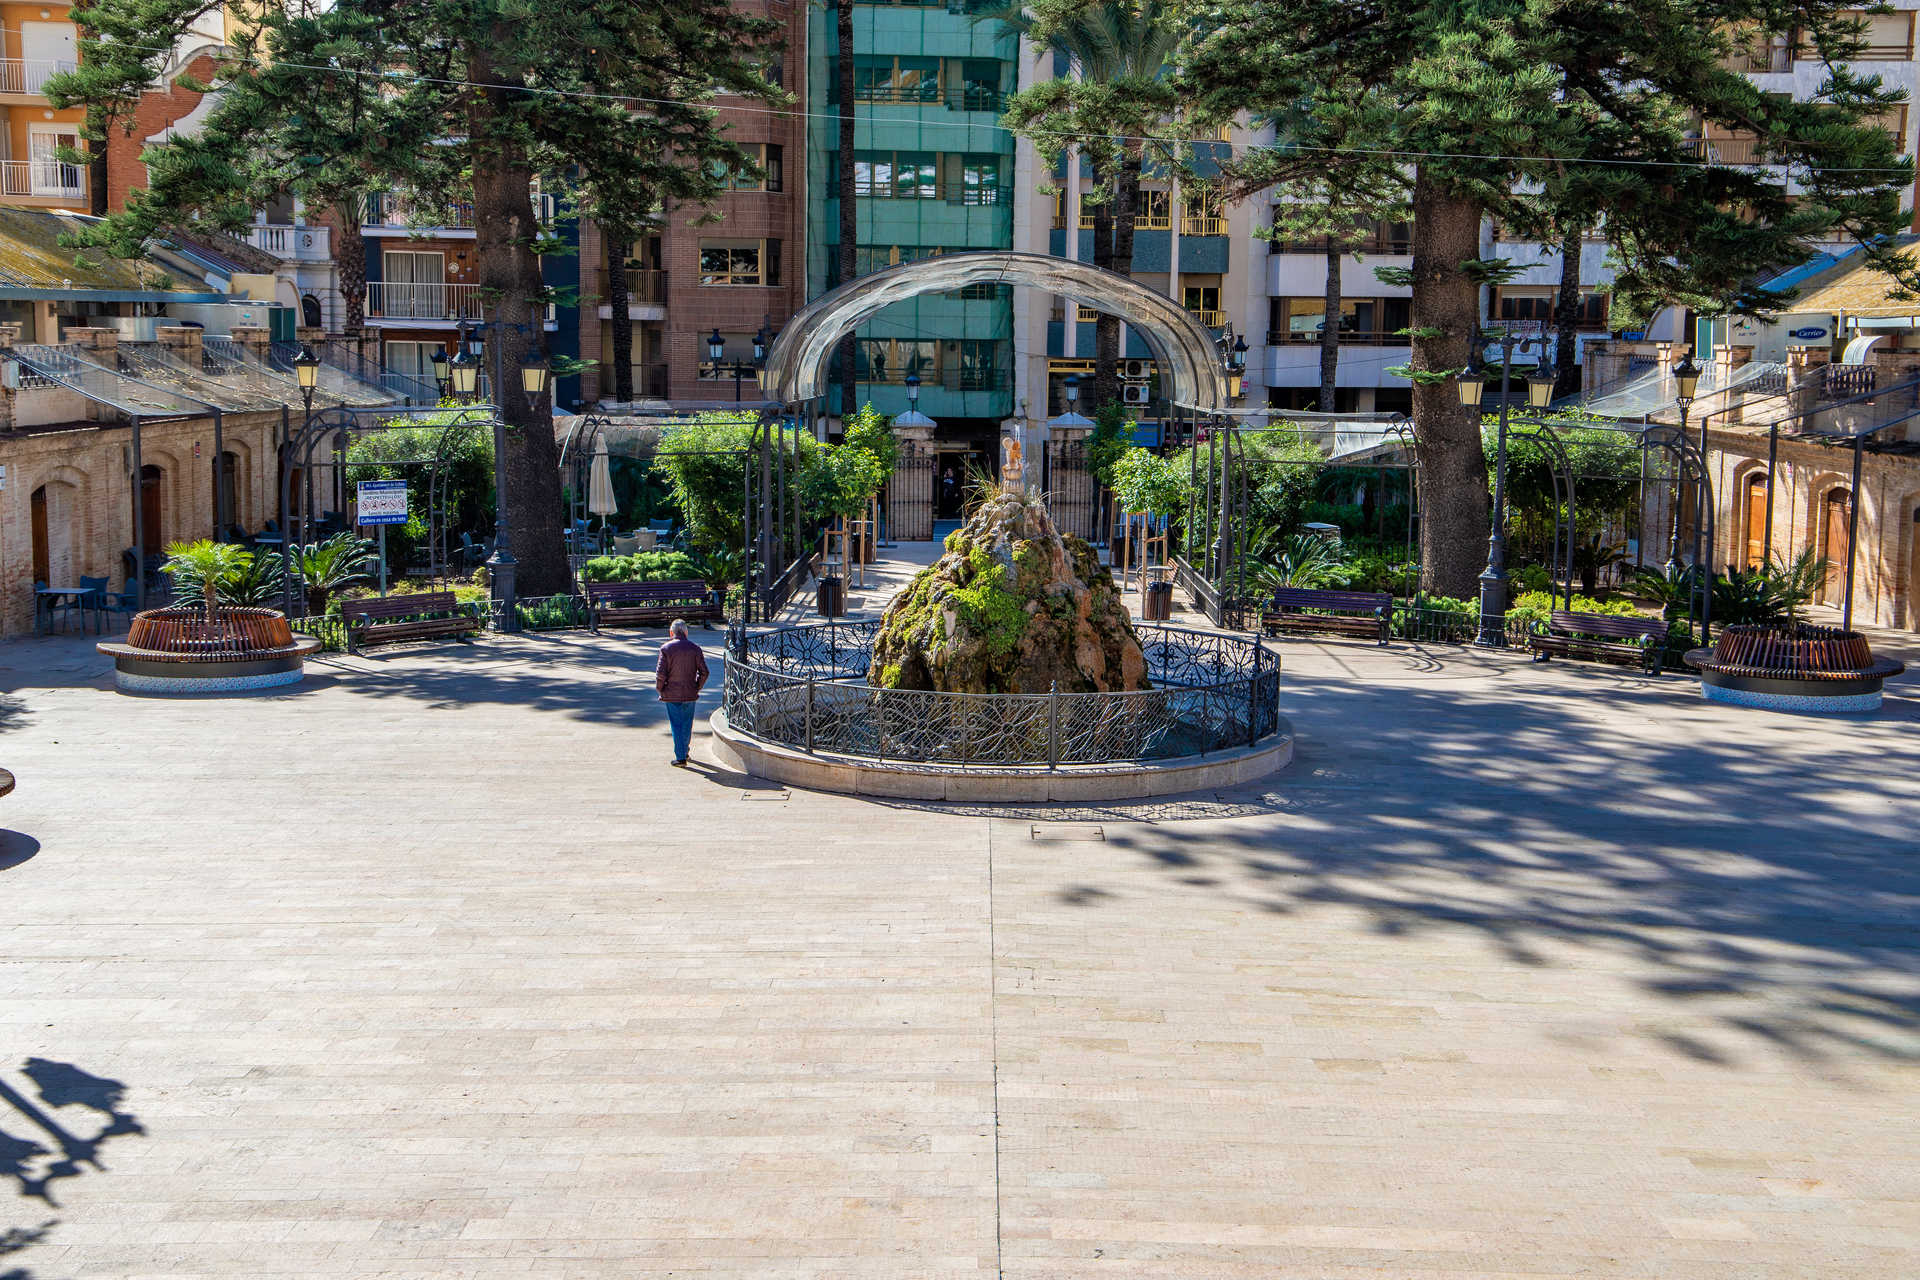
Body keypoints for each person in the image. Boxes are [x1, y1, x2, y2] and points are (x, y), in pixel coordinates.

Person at [654, 618, 709, 766]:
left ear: (671, 632)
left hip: (671, 693)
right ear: (686, 632)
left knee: (676, 724)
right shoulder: (695, 648)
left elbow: (661, 674)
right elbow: (704, 672)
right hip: (690, 692)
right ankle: (684, 751)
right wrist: (697, 687)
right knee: (686, 723)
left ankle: (680, 757)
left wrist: (661, 689)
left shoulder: (666, 649)